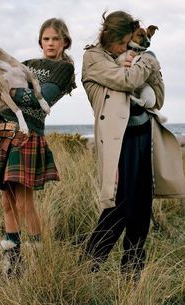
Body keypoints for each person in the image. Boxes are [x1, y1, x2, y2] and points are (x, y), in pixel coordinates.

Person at [81, 10, 185, 280]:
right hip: (119, 141)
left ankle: (131, 278)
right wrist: (148, 61)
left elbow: (158, 99)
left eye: (130, 41)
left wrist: (145, 62)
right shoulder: (93, 58)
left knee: (141, 209)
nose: (127, 46)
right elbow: (128, 80)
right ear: (111, 36)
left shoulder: (135, 55)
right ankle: (86, 268)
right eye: (124, 41)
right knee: (118, 206)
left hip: (145, 136)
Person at [0, 18, 76, 277]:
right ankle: (12, 263)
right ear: (40, 42)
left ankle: (38, 263)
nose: (50, 43)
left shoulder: (63, 69)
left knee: (25, 204)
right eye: (46, 39)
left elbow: (41, 99)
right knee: (6, 202)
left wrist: (5, 90)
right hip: (4, 133)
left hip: (28, 135)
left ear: (64, 42)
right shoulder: (28, 65)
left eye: (55, 39)